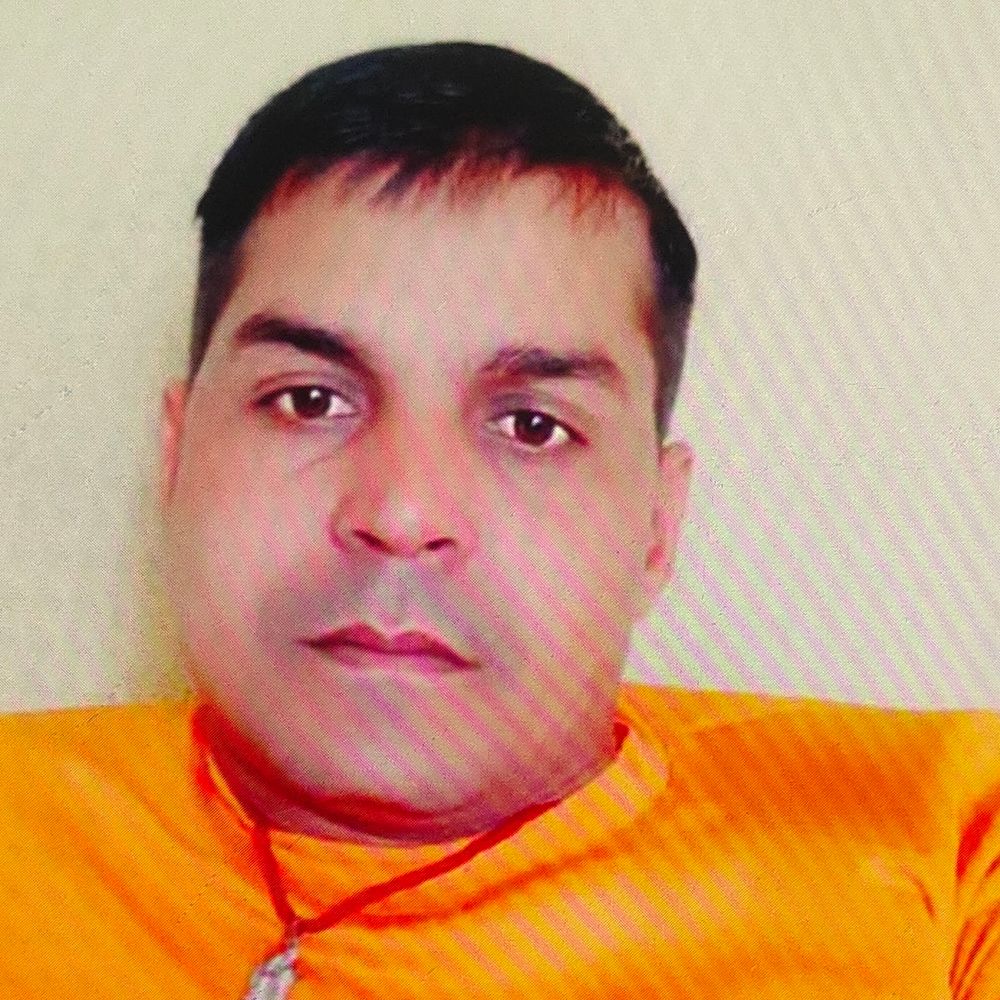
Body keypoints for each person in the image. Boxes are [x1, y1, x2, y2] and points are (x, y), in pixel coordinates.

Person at [0, 41, 997, 1000]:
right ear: (176, 459)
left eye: (532, 426)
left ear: (657, 527)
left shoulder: (948, 842)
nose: (401, 514)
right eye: (309, 400)